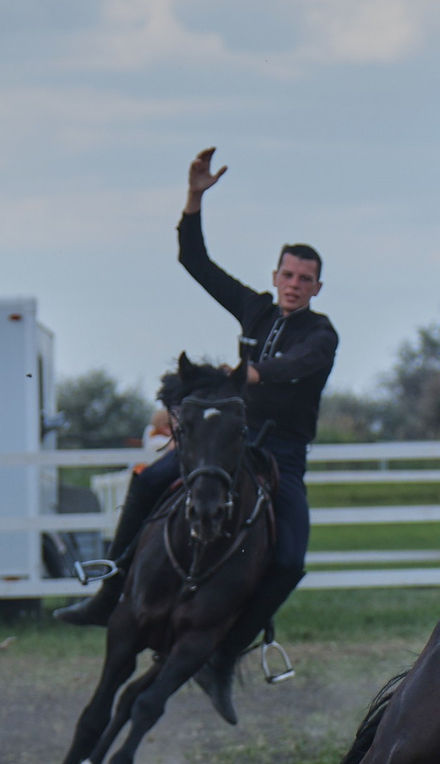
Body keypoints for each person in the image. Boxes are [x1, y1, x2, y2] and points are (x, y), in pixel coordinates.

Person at [57, 148, 338, 718]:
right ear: (276, 276)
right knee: (147, 480)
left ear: (316, 288)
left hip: (279, 453)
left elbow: (298, 367)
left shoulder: (322, 333)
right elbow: (195, 260)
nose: (294, 284)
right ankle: (108, 593)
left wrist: (251, 373)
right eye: (288, 274)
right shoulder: (255, 311)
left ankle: (226, 652)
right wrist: (194, 199)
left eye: (305, 279)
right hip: (226, 442)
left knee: (288, 559)